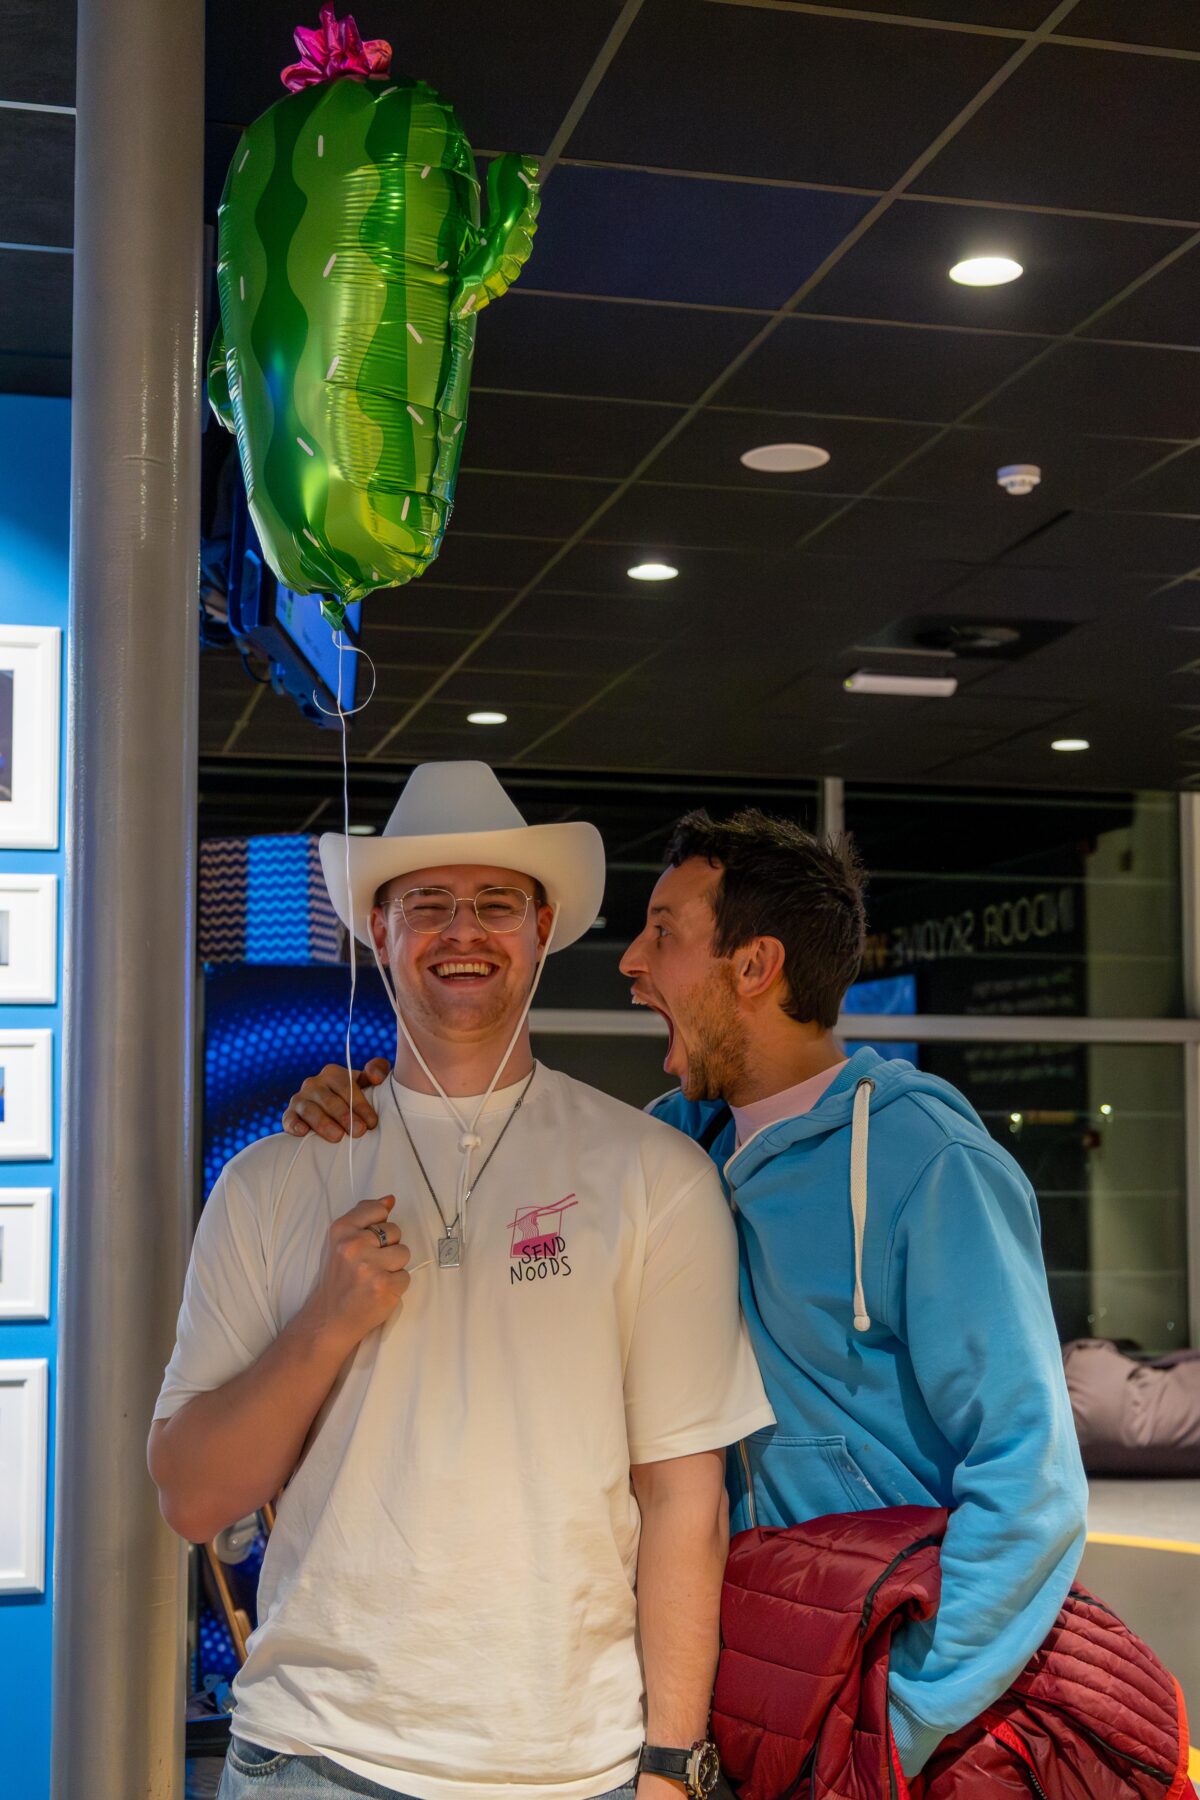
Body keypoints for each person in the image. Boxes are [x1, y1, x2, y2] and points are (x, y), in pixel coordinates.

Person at [288, 803, 1089, 1783]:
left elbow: (1031, 1478)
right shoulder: (670, 1146)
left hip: (864, 1709)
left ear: (754, 967)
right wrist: (365, 1106)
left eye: (664, 933)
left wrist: (898, 1715)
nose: (631, 963)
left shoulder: (931, 1164)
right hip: (733, 1690)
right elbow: (497, 1157)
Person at [149, 761, 773, 1800]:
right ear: (379, 931)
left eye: (495, 903)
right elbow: (192, 1495)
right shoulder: (275, 1178)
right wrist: (324, 1326)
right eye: (427, 903)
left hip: (573, 1768)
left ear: (542, 928)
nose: (462, 930)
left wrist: (671, 1766)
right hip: (310, 1756)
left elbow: (682, 1500)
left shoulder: (655, 1175)